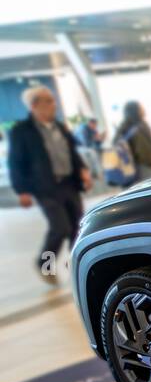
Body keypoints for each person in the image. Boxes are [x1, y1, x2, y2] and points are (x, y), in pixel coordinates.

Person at [6, 86, 92, 285]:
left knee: (77, 229)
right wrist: (22, 191)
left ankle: (75, 265)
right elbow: (15, 162)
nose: (54, 105)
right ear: (35, 105)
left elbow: (73, 154)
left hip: (69, 184)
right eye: (49, 101)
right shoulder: (21, 131)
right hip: (45, 188)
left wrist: (83, 171)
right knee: (60, 228)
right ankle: (44, 265)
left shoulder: (60, 127)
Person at [113, 101, 151, 181]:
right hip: (144, 169)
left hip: (129, 170)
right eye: (141, 108)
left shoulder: (124, 126)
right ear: (135, 111)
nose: (144, 110)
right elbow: (145, 153)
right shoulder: (139, 127)